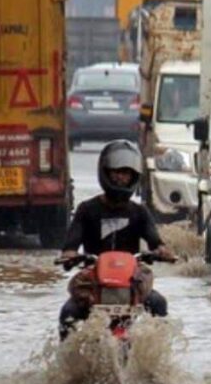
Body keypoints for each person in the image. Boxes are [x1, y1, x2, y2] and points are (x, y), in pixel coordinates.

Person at [58, 140, 175, 339]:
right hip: (95, 282)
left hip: (130, 282)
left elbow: (156, 242)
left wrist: (163, 251)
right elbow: (70, 246)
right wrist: (70, 255)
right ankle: (68, 362)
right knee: (68, 313)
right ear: (105, 172)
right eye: (116, 172)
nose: (121, 177)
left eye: (126, 173)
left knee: (158, 304)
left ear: (134, 176)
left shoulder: (139, 212)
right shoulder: (87, 210)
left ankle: (157, 356)